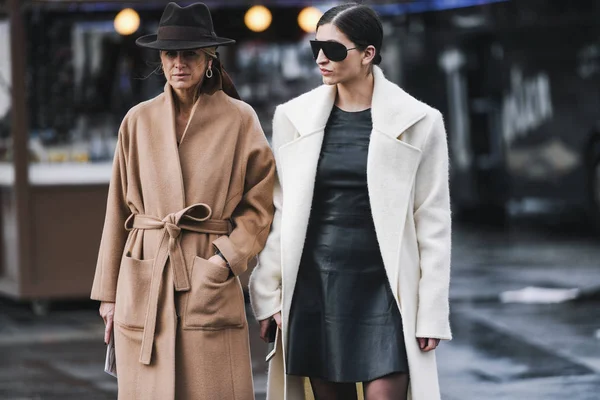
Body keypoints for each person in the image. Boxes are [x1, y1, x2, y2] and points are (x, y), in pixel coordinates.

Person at [249, 3, 452, 400]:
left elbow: (432, 221)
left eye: (335, 49)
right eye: (316, 48)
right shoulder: (294, 118)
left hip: (387, 288)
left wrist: (431, 311)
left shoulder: (420, 121)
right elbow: (283, 212)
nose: (322, 58)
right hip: (316, 287)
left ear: (368, 54)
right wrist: (268, 293)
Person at [90, 3, 275, 399]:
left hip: (207, 268)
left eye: (189, 54)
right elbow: (117, 210)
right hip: (145, 272)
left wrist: (226, 259)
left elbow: (262, 202)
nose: (178, 63)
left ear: (209, 59)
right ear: (160, 58)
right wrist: (108, 294)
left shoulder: (239, 119)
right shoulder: (137, 120)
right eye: (170, 54)